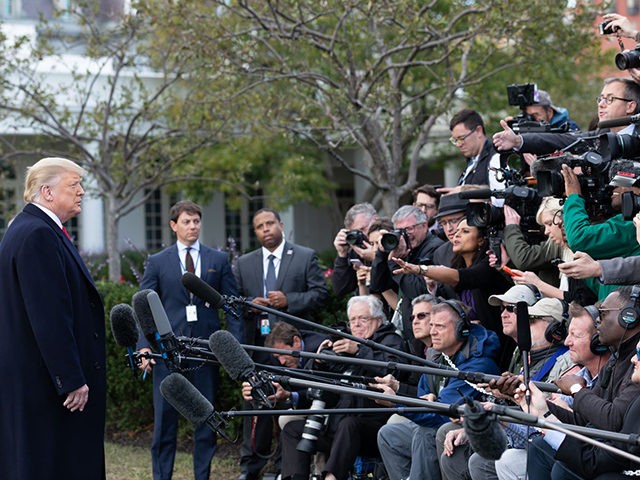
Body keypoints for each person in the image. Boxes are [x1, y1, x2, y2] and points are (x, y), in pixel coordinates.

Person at [0, 157, 106, 480]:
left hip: (36, 382)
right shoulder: (37, 235)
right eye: (74, 185)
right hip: (48, 388)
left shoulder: (28, 228)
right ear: (47, 191)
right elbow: (49, 316)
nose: (82, 192)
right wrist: (70, 378)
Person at [137, 200, 242, 480]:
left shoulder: (218, 260)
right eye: (187, 221)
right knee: (164, 425)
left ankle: (202, 476)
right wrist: (143, 346)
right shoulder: (157, 262)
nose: (193, 226)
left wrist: (234, 350)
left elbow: (231, 308)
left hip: (205, 354)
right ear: (174, 226)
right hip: (168, 355)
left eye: (196, 221)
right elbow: (142, 308)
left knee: (206, 421)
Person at [235, 207, 329, 480]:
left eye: (269, 223)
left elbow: (320, 295)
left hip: (292, 349)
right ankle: (250, 467)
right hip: (259, 347)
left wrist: (290, 300)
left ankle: (281, 467)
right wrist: (248, 305)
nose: (265, 229)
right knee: (256, 403)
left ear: (281, 224)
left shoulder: (303, 256)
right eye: (259, 226)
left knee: (290, 402)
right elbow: (233, 304)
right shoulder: (244, 263)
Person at [280, 295, 407, 480]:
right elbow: (313, 384)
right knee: (292, 429)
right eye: (353, 320)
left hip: (371, 429)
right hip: (336, 427)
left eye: (363, 319)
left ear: (378, 320)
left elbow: (394, 368)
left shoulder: (390, 340)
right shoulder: (344, 343)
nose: (357, 325)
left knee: (349, 424)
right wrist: (319, 362)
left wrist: (359, 350)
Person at [375, 300, 501, 480]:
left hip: (465, 433)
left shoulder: (478, 365)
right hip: (439, 426)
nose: (432, 331)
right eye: (431, 325)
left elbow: (439, 415)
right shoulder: (437, 358)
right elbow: (424, 400)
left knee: (424, 433)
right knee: (388, 435)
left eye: (439, 326)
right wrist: (426, 399)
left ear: (462, 330)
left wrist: (396, 400)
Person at [392, 218, 513, 366]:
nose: (457, 235)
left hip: (497, 347)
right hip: (471, 348)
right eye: (456, 232)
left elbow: (462, 278)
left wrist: (420, 269)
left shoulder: (489, 266)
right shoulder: (458, 265)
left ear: (481, 240)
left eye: (465, 231)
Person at [493, 77, 640, 154]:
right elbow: (563, 140)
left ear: (630, 106)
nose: (601, 104)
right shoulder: (600, 136)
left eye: (610, 99)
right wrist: (518, 141)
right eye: (600, 98)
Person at [369, 205, 443, 344]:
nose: (405, 235)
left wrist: (395, 262)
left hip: (430, 332)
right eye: (400, 230)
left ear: (424, 226)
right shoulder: (405, 250)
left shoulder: (435, 248)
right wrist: (381, 253)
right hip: (410, 332)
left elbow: (419, 292)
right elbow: (377, 285)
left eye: (409, 229)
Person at [331, 202, 378, 298]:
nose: (362, 235)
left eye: (363, 229)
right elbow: (340, 289)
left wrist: (376, 258)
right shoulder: (355, 250)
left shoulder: (391, 243)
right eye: (356, 232)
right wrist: (342, 254)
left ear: (376, 219)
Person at [449, 108, 504, 189]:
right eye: (455, 140)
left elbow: (500, 196)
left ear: (478, 131)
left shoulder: (496, 158)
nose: (458, 144)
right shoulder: (471, 162)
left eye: (461, 138)